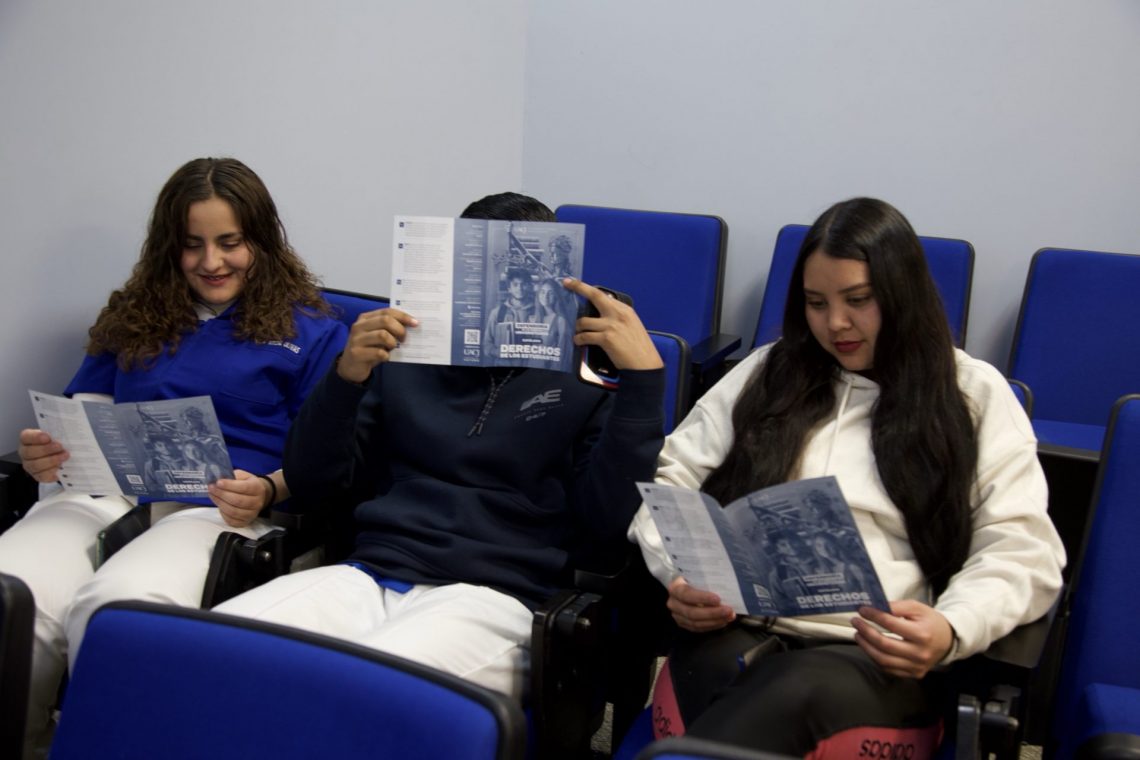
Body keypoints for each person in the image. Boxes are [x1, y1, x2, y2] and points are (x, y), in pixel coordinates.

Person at [628, 197, 1065, 756]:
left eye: (858, 300)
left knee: (789, 692)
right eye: (816, 303)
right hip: (739, 628)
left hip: (876, 656)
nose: (835, 323)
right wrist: (681, 577)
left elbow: (1022, 548)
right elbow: (669, 485)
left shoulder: (972, 394)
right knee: (722, 676)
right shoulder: (769, 372)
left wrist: (953, 626)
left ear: (902, 293)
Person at [214, 191, 666, 702]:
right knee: (217, 652)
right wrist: (346, 377)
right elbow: (313, 481)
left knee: (367, 692)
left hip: (496, 595)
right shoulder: (408, 354)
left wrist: (642, 382)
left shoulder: (587, 375)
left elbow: (607, 524)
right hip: (372, 572)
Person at [0, 157, 347, 757]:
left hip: (220, 509)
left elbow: (326, 450)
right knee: (12, 593)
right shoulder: (134, 311)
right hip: (106, 493)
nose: (211, 262)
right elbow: (86, 410)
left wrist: (269, 488)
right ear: (169, 246)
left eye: (230, 243)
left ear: (261, 240)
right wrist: (48, 455)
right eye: (192, 245)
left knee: (116, 614)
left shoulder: (314, 329)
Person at [483, 266, 536, 358]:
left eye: (523, 284)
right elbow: (487, 344)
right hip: (503, 365)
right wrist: (497, 352)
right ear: (509, 288)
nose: (520, 288)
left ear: (530, 287)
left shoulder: (538, 312)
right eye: (515, 284)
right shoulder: (497, 313)